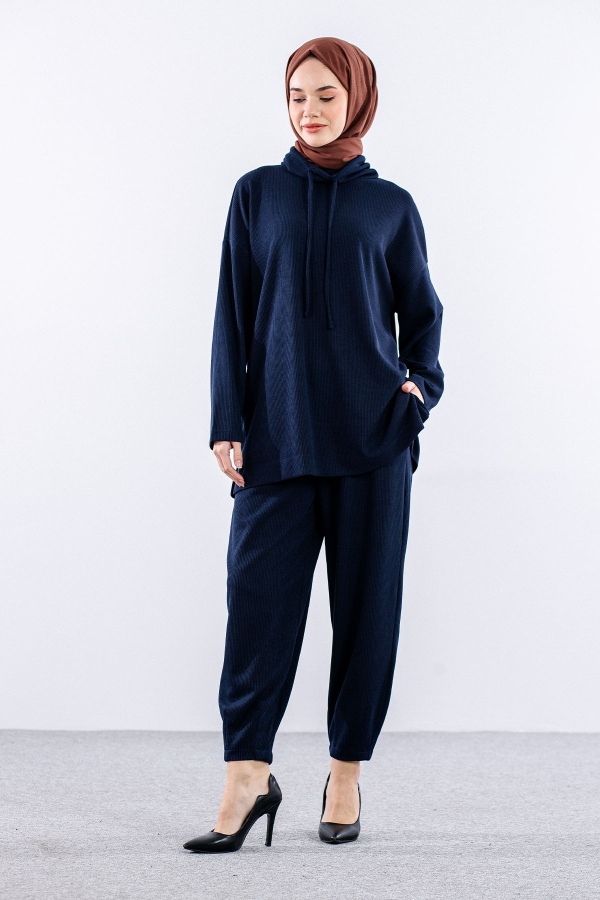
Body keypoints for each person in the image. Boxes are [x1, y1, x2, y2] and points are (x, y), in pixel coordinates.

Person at [183, 36, 444, 854]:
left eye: (327, 95)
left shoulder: (391, 206)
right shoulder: (256, 195)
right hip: (277, 440)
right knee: (257, 609)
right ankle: (246, 778)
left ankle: (345, 774)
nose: (310, 110)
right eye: (298, 95)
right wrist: (227, 417)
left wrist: (418, 392)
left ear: (357, 99)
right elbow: (231, 313)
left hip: (372, 444)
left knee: (367, 615)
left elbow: (423, 317)